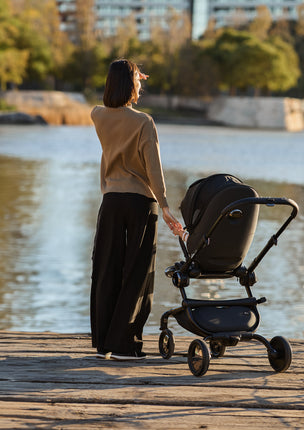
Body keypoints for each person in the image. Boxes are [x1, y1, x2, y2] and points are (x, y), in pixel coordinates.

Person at [90, 59, 182, 361]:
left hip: (111, 202)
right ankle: (125, 344)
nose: (141, 87)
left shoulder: (98, 116)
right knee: (137, 273)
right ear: (131, 85)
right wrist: (166, 206)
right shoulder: (143, 122)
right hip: (141, 203)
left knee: (107, 270)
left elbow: (108, 102)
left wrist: (129, 72)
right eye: (138, 83)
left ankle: (105, 342)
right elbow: (153, 169)